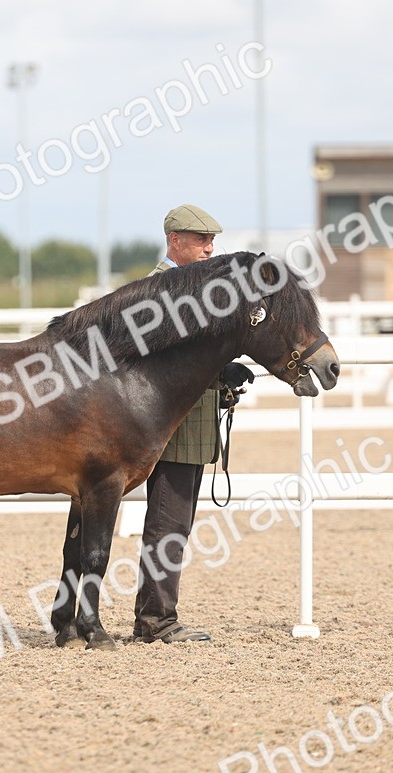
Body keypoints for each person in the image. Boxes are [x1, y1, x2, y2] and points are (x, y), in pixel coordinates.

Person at [133, 204, 254, 644]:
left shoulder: (193, 289)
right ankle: (156, 620)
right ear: (174, 241)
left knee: (175, 523)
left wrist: (223, 373)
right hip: (171, 424)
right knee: (168, 521)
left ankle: (156, 615)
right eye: (200, 240)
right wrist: (218, 370)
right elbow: (166, 361)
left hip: (190, 419)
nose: (209, 247)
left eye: (211, 240)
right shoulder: (156, 290)